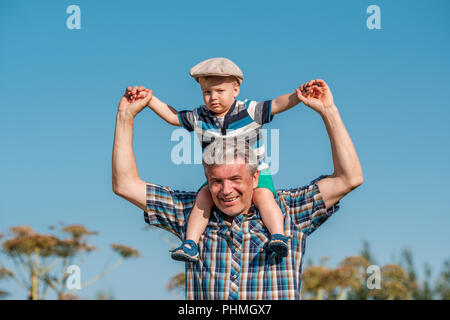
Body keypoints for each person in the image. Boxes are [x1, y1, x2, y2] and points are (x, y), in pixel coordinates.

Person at [112, 78, 363, 299]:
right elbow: (125, 184)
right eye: (216, 181)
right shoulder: (193, 212)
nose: (225, 190)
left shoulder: (290, 211)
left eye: (235, 179)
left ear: (255, 177)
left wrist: (328, 111)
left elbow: (349, 178)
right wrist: (126, 117)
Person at [126, 57, 309, 262]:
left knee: (264, 196)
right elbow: (172, 117)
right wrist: (150, 100)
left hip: (255, 172)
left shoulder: (248, 110)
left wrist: (300, 96)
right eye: (207, 92)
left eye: (220, 91)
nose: (213, 97)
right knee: (202, 199)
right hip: (218, 176)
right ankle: (191, 243)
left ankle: (278, 236)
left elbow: (276, 104)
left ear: (235, 89)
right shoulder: (200, 117)